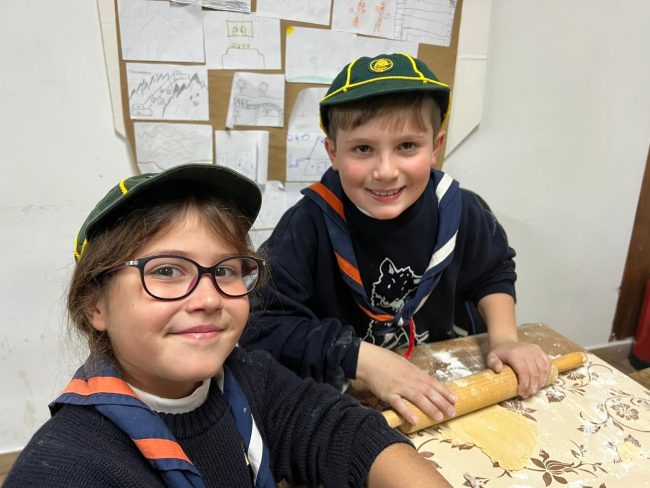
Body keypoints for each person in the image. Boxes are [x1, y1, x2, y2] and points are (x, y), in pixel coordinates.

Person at [4, 164, 451, 487]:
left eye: (225, 270)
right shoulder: (65, 468)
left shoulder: (249, 378)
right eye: (166, 271)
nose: (208, 298)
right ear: (95, 306)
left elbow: (348, 434)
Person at [240, 53, 551, 426]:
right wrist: (363, 360)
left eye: (407, 146)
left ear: (435, 147)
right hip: (346, 396)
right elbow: (263, 324)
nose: (385, 171)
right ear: (333, 152)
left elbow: (492, 272)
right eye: (363, 149)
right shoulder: (307, 224)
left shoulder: (461, 210)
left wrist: (505, 339)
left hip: (439, 378)